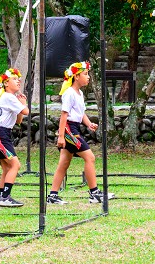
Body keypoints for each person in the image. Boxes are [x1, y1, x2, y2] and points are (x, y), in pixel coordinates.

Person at [47, 62, 114, 205]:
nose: (88, 77)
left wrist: (89, 124)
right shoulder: (69, 93)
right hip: (69, 130)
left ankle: (52, 195)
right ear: (76, 76)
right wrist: (60, 136)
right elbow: (64, 115)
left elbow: (80, 113)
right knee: (90, 157)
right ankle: (94, 193)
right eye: (85, 74)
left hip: (74, 128)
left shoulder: (80, 93)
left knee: (64, 163)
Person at [0, 68, 29, 208]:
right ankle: (5, 197)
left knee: (6, 168)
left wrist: (21, 105)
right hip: (1, 134)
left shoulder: (9, 98)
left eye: (18, 79)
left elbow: (19, 120)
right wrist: (23, 104)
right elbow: (26, 111)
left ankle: (1, 197)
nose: (18, 81)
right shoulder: (9, 97)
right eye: (14, 79)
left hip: (1, 133)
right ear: (5, 83)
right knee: (15, 165)